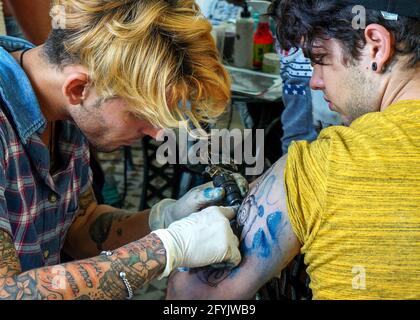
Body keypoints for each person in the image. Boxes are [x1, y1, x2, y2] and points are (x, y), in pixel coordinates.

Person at [167, 0, 420, 300]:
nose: (314, 81)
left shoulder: (324, 166)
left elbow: (190, 298)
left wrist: (173, 246)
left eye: (320, 57)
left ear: (375, 46)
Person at [0, 0, 249, 300]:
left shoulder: (72, 111)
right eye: (141, 114)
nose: (157, 134)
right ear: (78, 88)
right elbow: (7, 291)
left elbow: (81, 225)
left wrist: (164, 219)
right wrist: (167, 247)